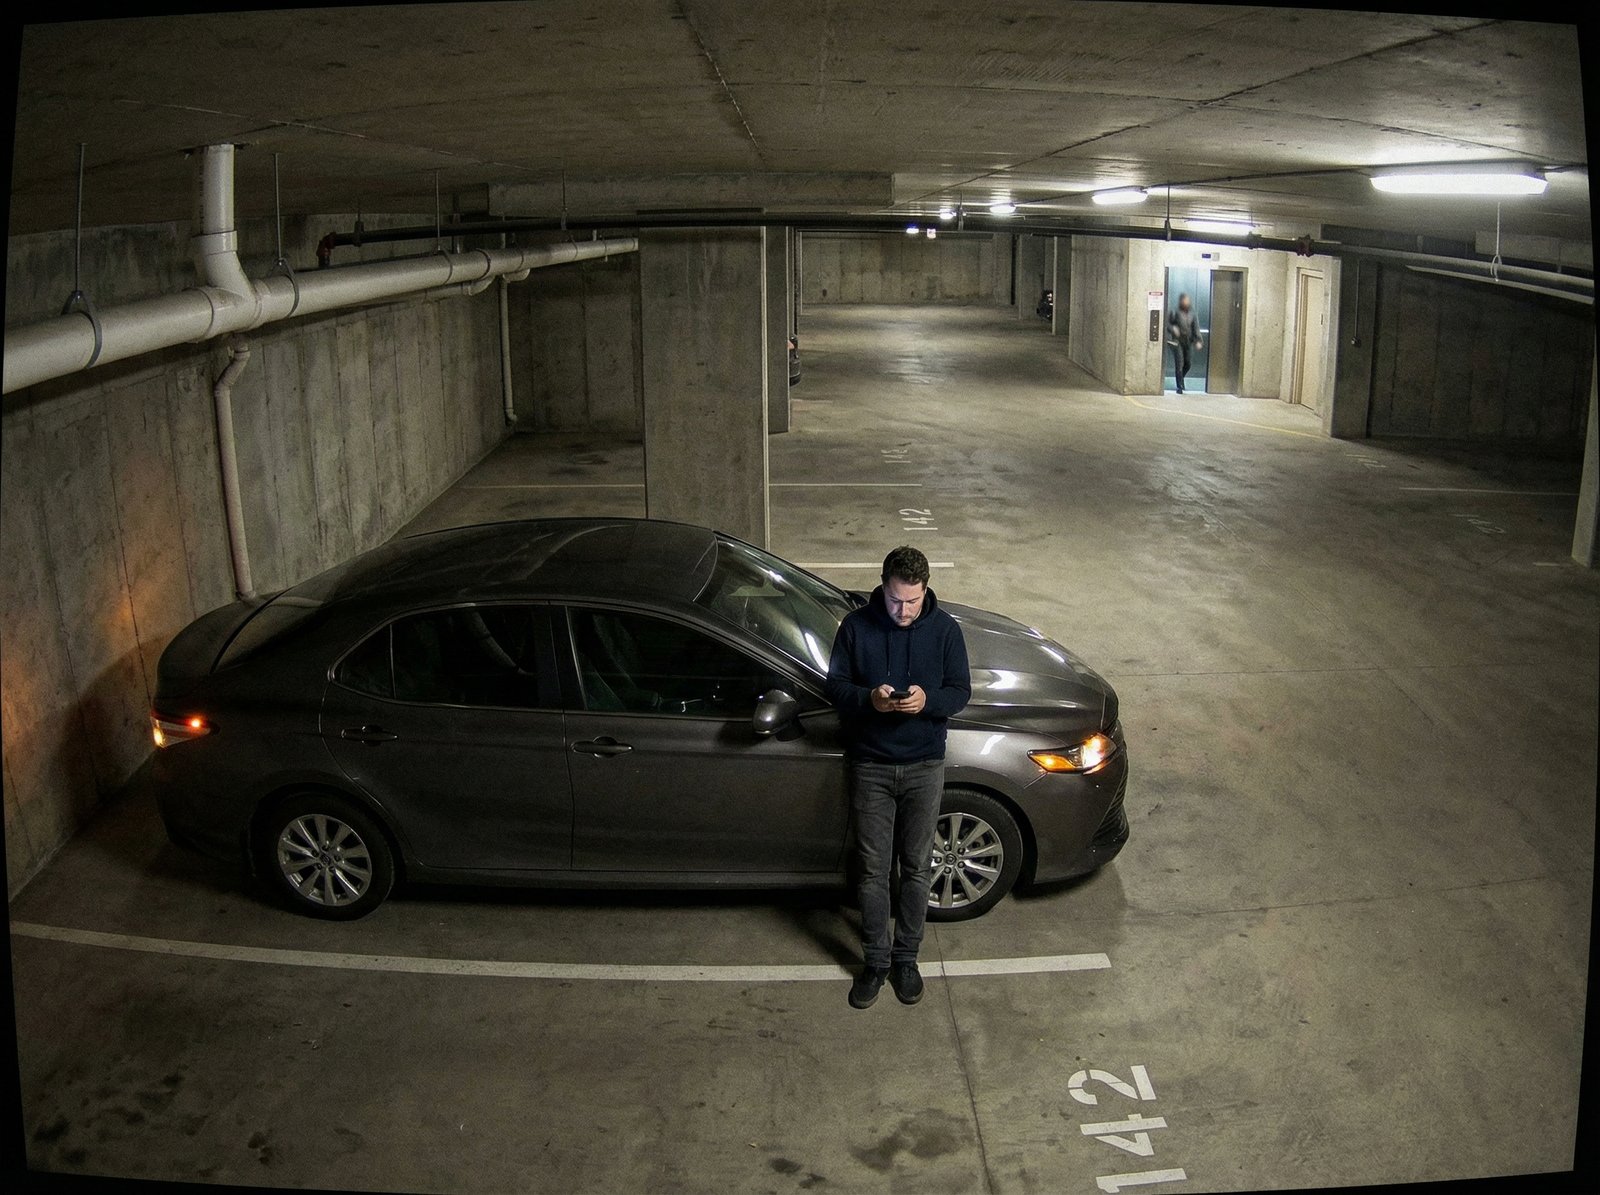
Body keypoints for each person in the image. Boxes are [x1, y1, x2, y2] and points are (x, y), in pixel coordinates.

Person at [825, 545, 971, 1010]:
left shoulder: (945, 631)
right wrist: (872, 699)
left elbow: (960, 691)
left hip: (925, 765)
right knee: (872, 869)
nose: (902, 610)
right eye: (894, 600)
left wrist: (928, 700)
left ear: (925, 590)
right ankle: (875, 961)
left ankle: (906, 958)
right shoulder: (856, 627)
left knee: (917, 866)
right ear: (883, 586)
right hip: (870, 764)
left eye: (911, 601)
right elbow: (836, 685)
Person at [1167, 293, 1203, 394]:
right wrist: (1173, 329)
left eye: (1187, 300)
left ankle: (1180, 377)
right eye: (1184, 300)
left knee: (1188, 364)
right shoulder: (1175, 312)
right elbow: (1168, 324)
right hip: (1177, 341)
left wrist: (1198, 340)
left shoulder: (1192, 313)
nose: (1186, 302)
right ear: (1181, 301)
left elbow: (1196, 328)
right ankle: (1180, 387)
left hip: (1188, 341)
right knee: (1179, 364)